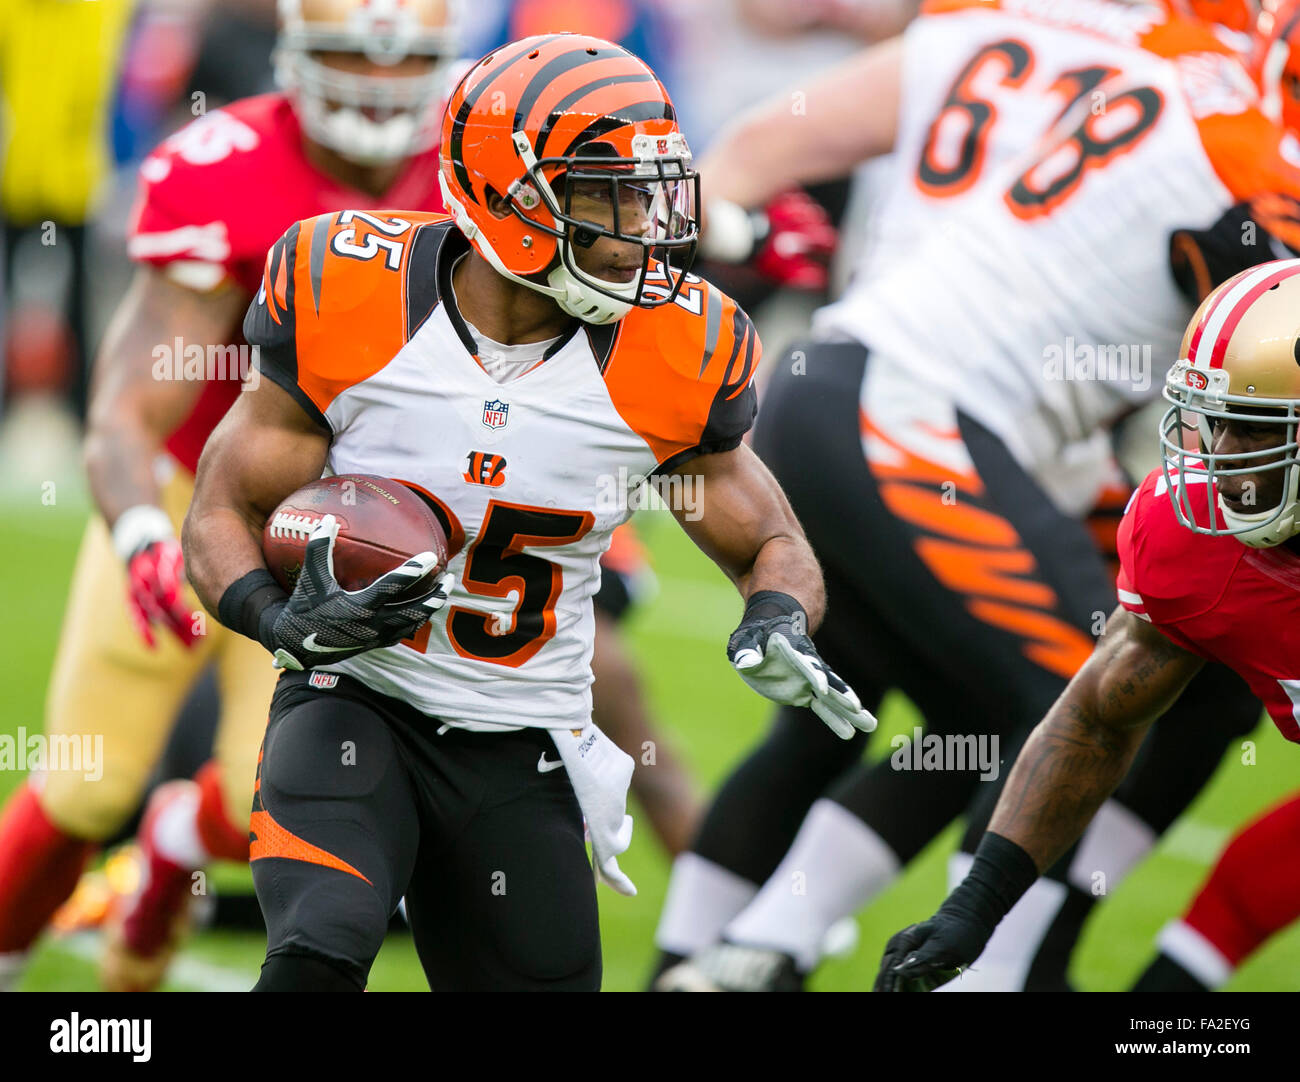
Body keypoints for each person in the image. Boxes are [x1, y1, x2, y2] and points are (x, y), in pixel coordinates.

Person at [183, 31, 874, 992]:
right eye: (605, 191)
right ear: (509, 194)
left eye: (647, 190)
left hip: (526, 746)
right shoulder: (352, 290)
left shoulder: (671, 352)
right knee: (317, 955)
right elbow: (222, 505)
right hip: (358, 701)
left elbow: (770, 537)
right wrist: (277, 619)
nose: (641, 223)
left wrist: (778, 614)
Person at [653, 0, 1300, 991]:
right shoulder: (1241, 145)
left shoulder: (1030, 36)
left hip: (840, 378)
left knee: (901, 709)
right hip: (921, 418)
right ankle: (989, 975)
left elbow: (757, 143)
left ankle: (719, 955)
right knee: (1064, 698)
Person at [0, 0, 463, 993]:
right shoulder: (229, 165)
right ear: (295, 51)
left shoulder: (475, 174)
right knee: (87, 782)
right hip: (185, 488)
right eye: (348, 52)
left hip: (346, 524)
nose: (377, 83)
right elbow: (124, 407)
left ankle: (170, 845)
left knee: (279, 795)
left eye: (403, 61)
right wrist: (137, 533)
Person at [876, 257, 1300, 991]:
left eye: (1255, 433)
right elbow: (1101, 717)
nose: (1221, 463)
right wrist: (977, 906)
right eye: (1217, 425)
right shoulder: (1191, 538)